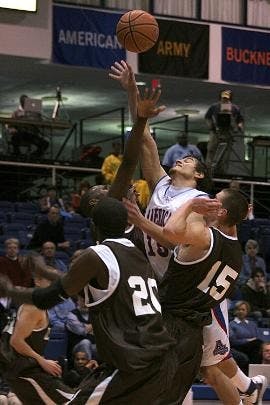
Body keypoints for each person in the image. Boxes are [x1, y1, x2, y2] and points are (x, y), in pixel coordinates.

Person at [111, 61, 265, 405]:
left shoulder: (198, 201)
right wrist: (131, 90)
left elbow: (173, 237)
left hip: (190, 292)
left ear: (199, 175)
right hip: (162, 287)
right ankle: (247, 389)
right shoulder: (162, 184)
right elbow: (145, 136)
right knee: (201, 365)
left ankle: (246, 389)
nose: (181, 159)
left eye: (191, 159)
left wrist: (139, 219)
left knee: (207, 365)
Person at [0, 197, 177, 404]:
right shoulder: (138, 255)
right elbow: (79, 285)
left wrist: (10, 291)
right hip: (164, 360)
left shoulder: (97, 255)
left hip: (134, 364)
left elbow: (50, 295)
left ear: (94, 225)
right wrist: (43, 271)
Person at [1, 271, 74, 404]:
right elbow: (16, 341)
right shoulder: (34, 307)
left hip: (24, 368)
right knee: (71, 401)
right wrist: (42, 361)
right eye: (51, 281)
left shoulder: (37, 305)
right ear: (38, 281)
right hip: (24, 370)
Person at [205, 89, 244, 174]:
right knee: (211, 150)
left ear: (230, 99)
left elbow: (240, 120)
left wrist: (238, 127)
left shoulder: (235, 108)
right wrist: (211, 126)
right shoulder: (214, 106)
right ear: (220, 98)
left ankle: (222, 172)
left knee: (225, 155)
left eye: (227, 98)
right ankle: (208, 171)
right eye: (223, 98)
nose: (225, 100)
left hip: (228, 133)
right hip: (216, 132)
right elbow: (207, 117)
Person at [229, 301, 262, 366]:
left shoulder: (252, 324)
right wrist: (247, 340)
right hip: (238, 347)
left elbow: (257, 337)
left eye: (243, 309)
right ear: (235, 311)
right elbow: (233, 342)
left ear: (247, 311)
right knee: (257, 344)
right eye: (239, 309)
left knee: (260, 346)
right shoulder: (231, 324)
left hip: (252, 347)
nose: (241, 311)